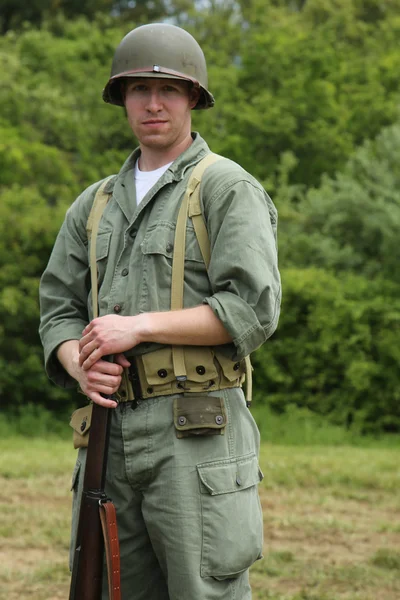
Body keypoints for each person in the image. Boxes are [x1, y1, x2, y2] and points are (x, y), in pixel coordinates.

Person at [39, 22, 281, 600]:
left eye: (168, 90)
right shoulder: (93, 204)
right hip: (109, 430)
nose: (153, 103)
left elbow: (252, 308)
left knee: (205, 592)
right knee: (107, 589)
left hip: (195, 433)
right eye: (138, 89)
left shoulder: (226, 188)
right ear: (121, 99)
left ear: (192, 98)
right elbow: (57, 311)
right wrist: (80, 364)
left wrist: (138, 327)